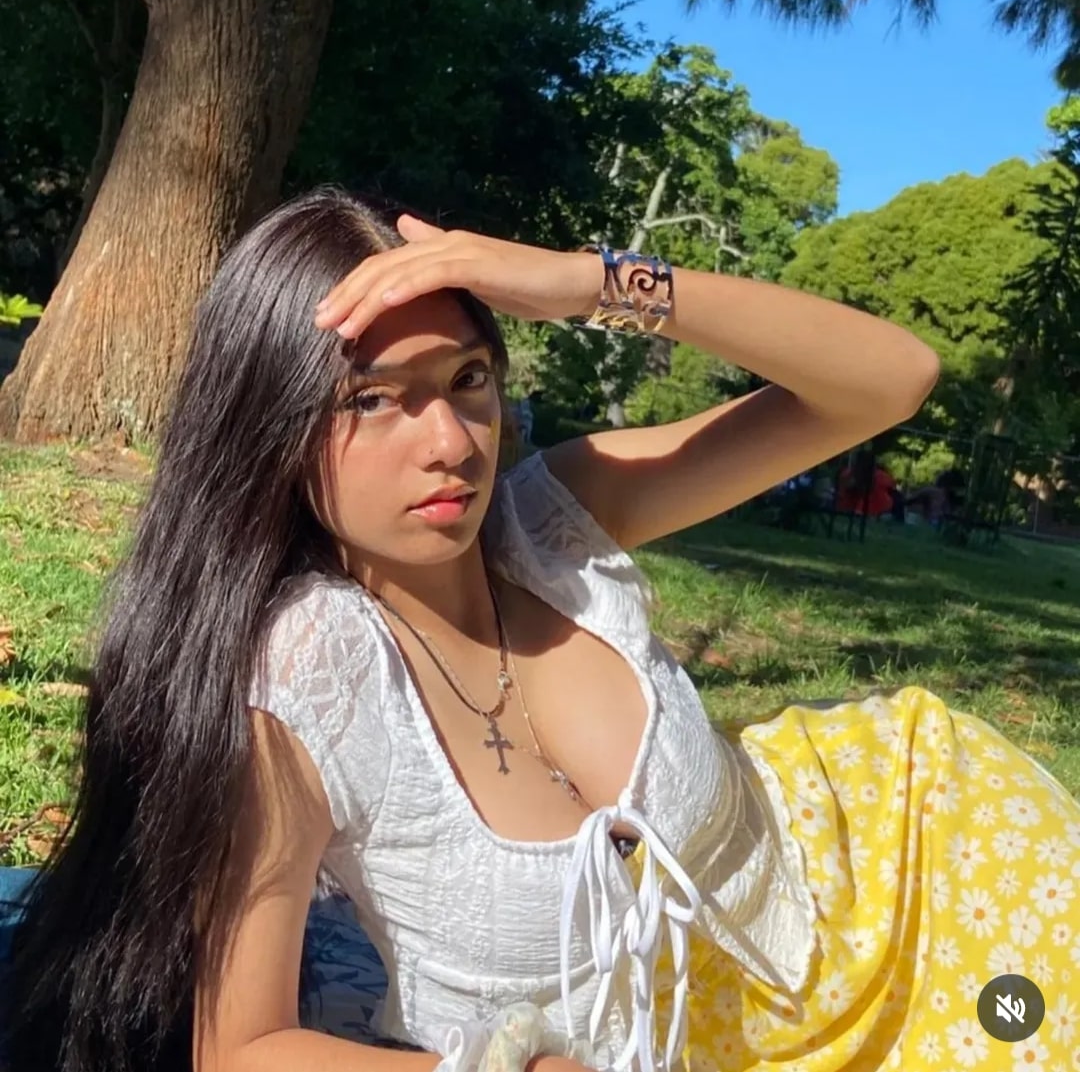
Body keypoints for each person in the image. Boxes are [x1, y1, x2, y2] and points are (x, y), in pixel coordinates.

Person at [3, 185, 1080, 1072]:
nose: (450, 440)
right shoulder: (304, 683)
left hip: (927, 880)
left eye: (468, 378)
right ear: (272, 429)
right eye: (371, 398)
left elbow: (890, 379)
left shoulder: (555, 519)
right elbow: (241, 1046)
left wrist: (588, 282)